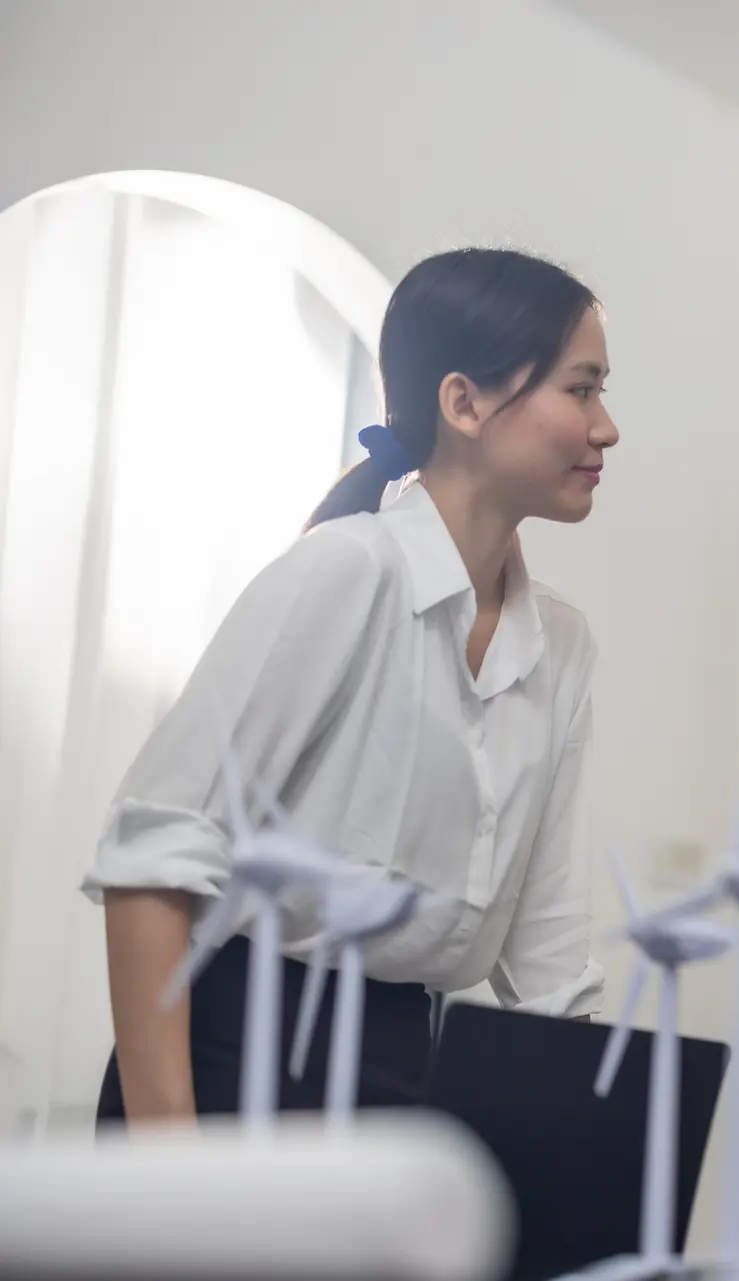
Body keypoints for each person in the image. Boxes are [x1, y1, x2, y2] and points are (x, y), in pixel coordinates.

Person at [84, 247, 617, 1124]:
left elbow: (551, 962)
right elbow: (153, 857)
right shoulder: (345, 573)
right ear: (465, 402)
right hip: (229, 1062)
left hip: (406, 1075)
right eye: (581, 389)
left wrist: (584, 1171)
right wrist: (169, 1158)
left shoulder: (561, 643)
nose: (606, 427)